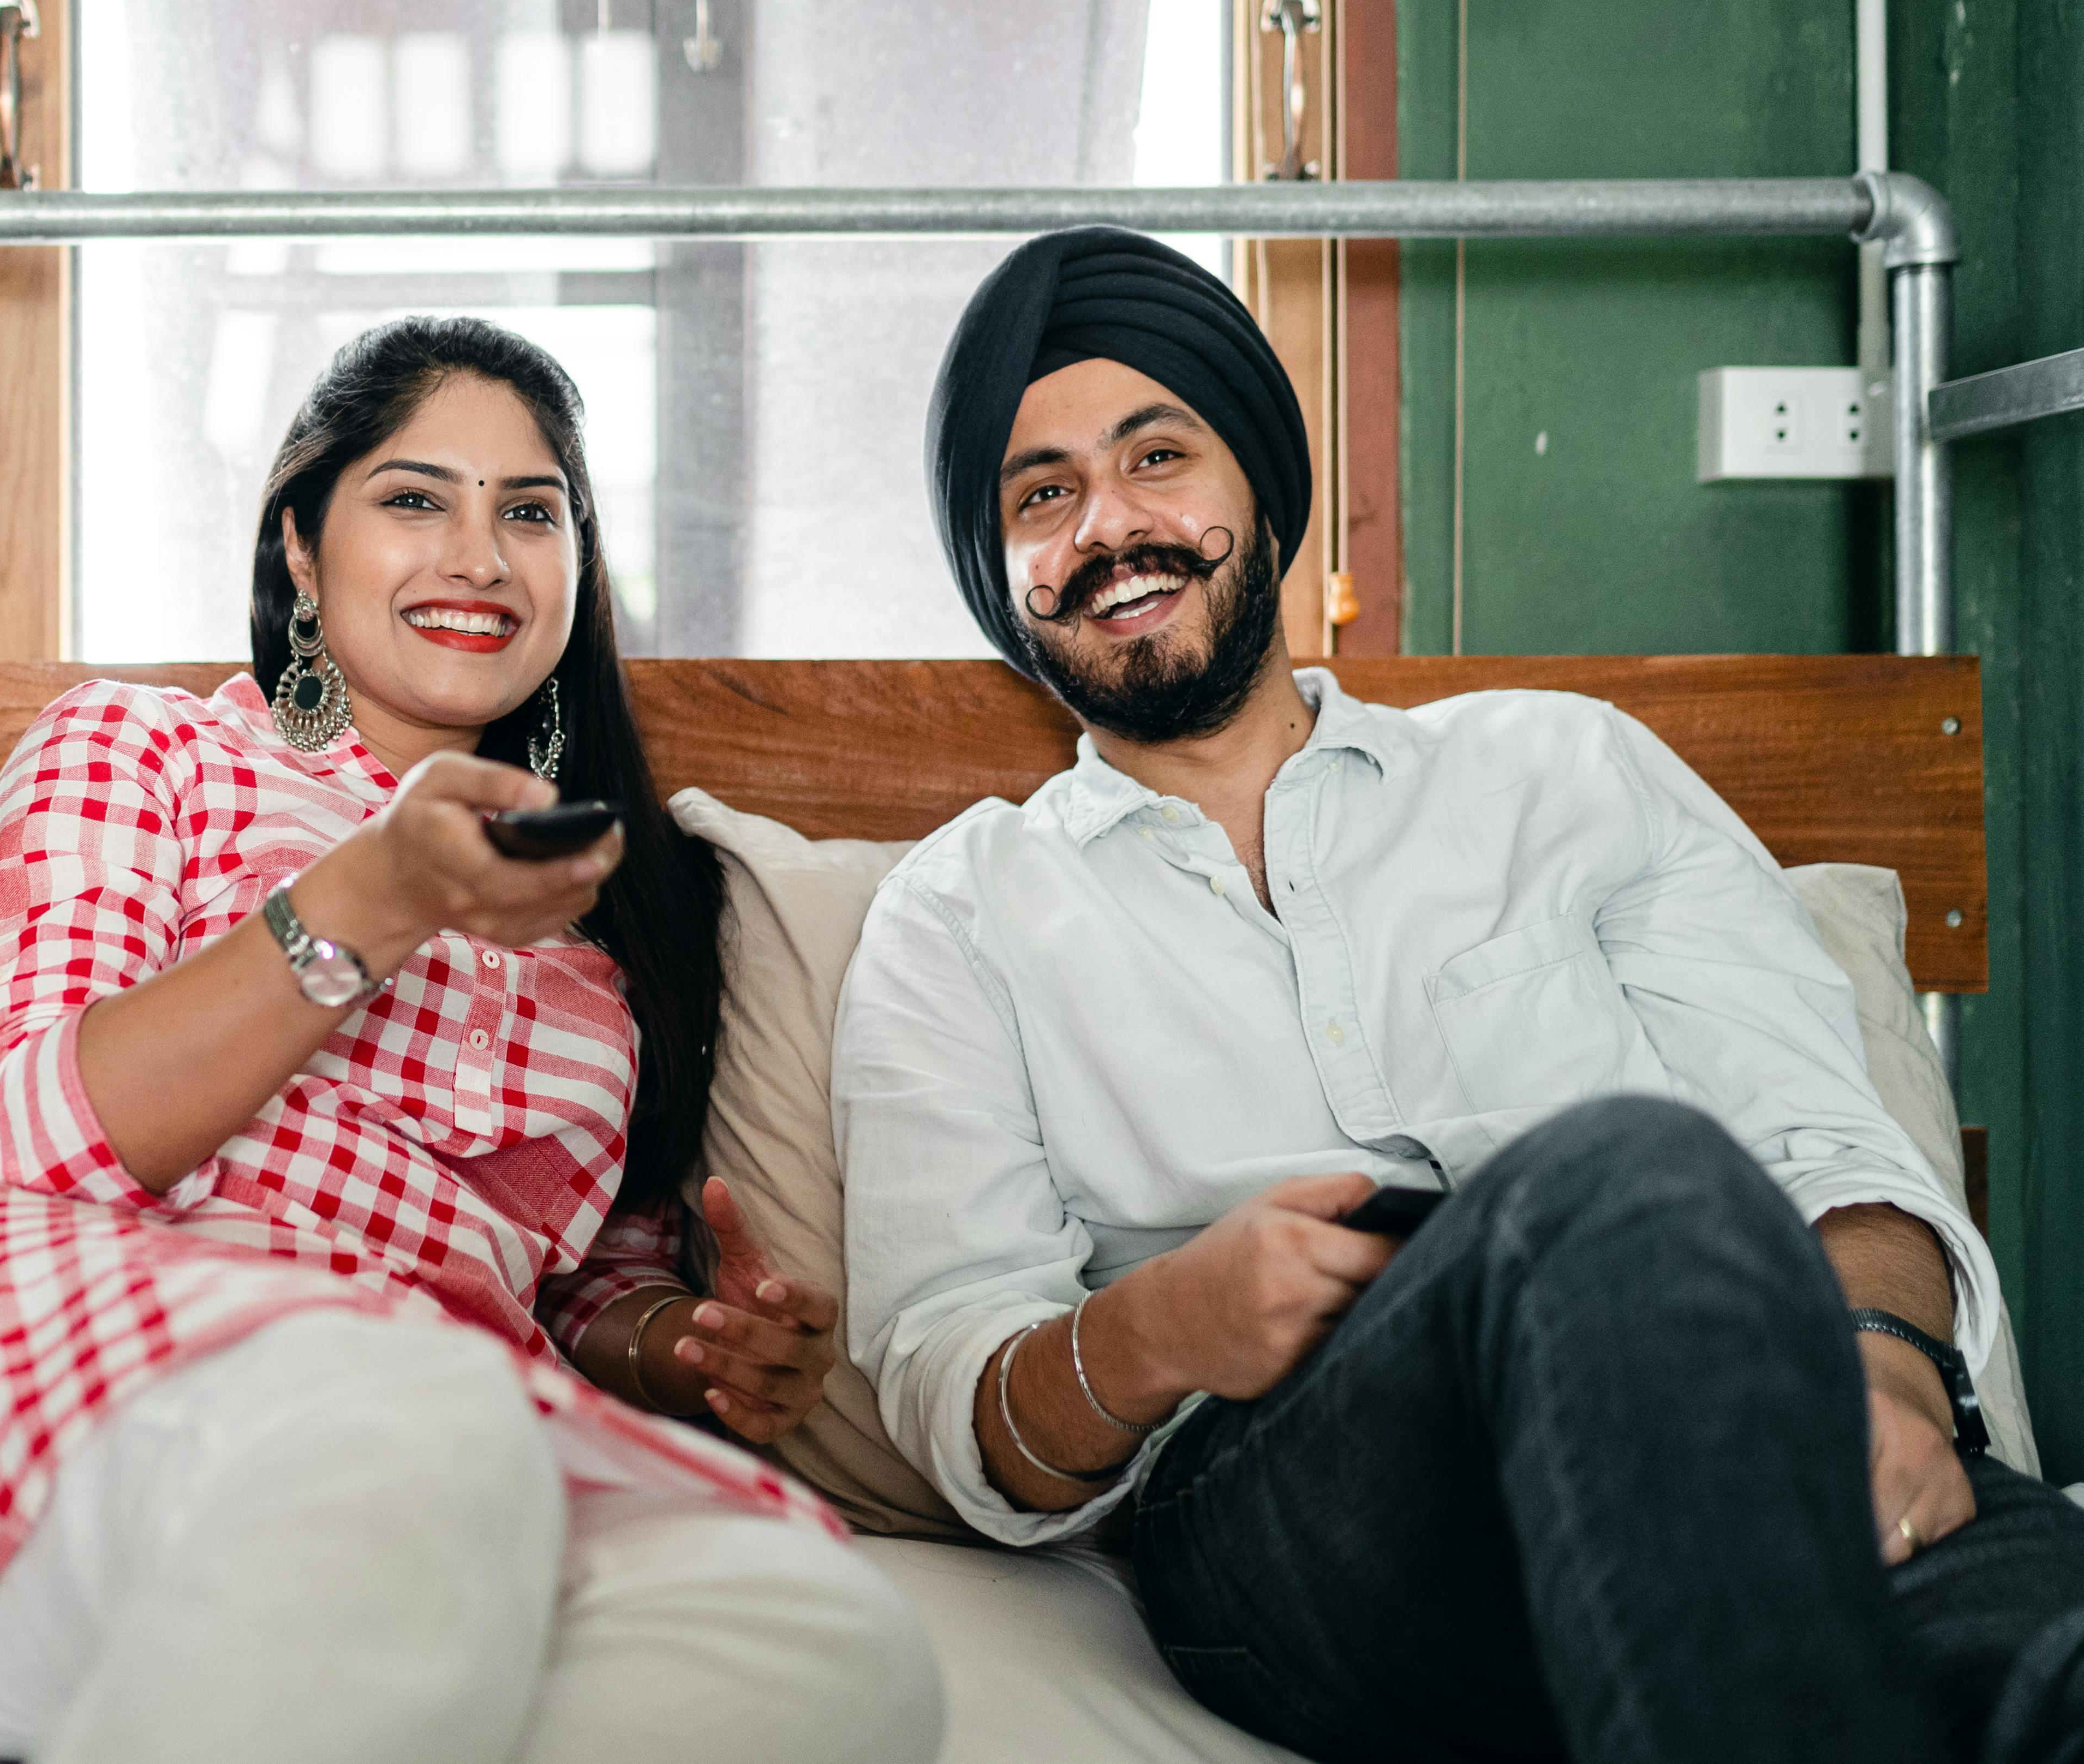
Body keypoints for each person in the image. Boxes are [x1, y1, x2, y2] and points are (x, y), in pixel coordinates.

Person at [0, 316, 941, 1764]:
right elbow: (32, 1131)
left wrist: (685, 1344)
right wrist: (377, 894)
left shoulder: (617, 921)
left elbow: (565, 1282)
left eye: (530, 511)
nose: (480, 556)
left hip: (389, 1457)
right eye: (415, 497)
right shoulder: (142, 753)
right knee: (412, 1436)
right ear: (302, 545)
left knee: (829, 1647)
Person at [832, 226, 2084, 1764]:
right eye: (1043, 494)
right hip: (1293, 1494)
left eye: (1158, 453)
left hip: (1731, 1395)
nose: (1112, 523)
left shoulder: (1568, 770)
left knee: (2046, 1654)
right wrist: (1164, 1323)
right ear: (1004, 576)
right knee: (1629, 1167)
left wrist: (1885, 1372)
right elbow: (954, 1386)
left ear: (1259, 488)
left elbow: (1833, 1146)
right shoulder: (958, 913)